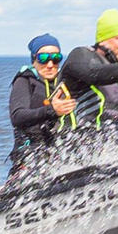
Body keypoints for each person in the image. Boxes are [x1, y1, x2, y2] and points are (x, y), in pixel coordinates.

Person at [7, 34, 74, 175]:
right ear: (33, 60)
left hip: (59, 153)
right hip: (30, 155)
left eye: (56, 59)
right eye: (43, 59)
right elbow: (17, 116)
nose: (50, 65)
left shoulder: (65, 82)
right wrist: (51, 110)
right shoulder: (24, 81)